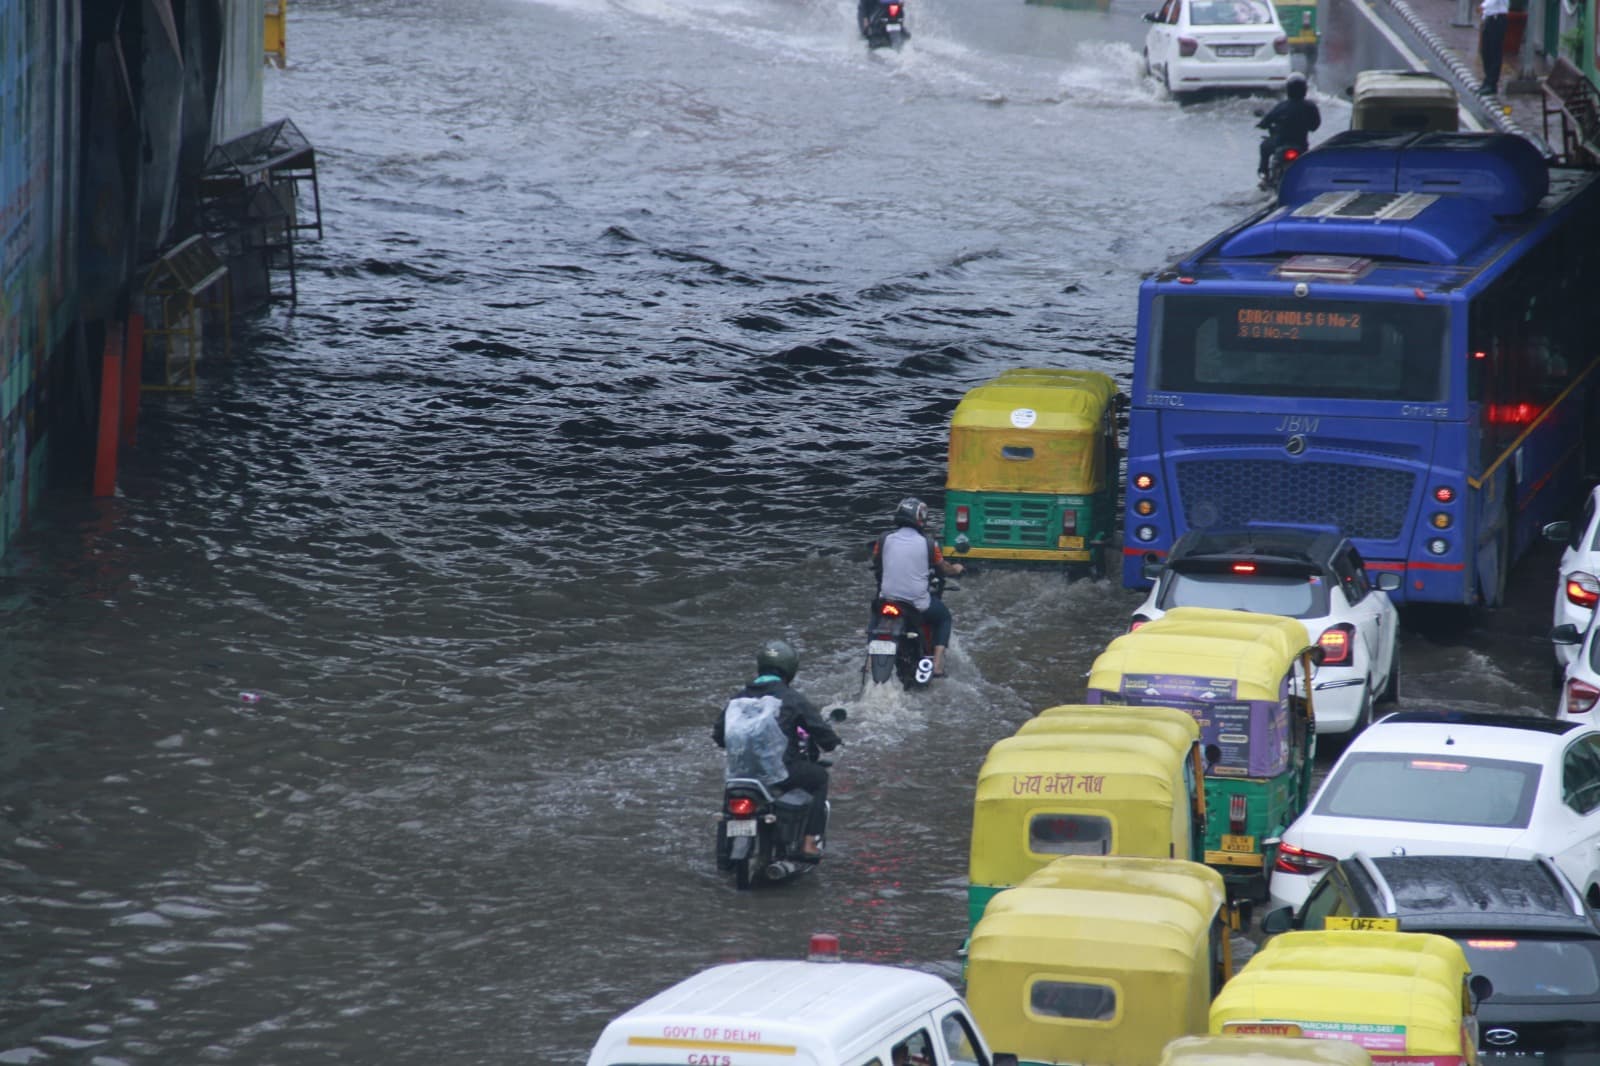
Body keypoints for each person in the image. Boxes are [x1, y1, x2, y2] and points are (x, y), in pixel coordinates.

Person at [712, 639, 841, 861]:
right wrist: (831, 742)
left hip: (740, 774)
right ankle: (810, 842)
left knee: (731, 794)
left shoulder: (738, 697)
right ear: (790, 669)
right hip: (778, 773)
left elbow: (719, 735)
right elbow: (821, 732)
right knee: (820, 778)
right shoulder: (791, 698)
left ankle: (724, 851)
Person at [871, 497, 964, 678]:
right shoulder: (929, 544)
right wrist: (957, 569)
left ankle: (868, 663)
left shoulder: (883, 539)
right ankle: (937, 665)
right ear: (921, 518)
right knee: (944, 618)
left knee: (875, 619)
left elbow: (876, 561)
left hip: (887, 600)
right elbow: (943, 568)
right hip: (916, 604)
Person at [1256, 72, 1321, 181]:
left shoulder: (1282, 106)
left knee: (1264, 146)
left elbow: (1266, 121)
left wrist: (1262, 124)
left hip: (1281, 144)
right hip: (1301, 145)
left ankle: (1264, 173)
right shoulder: (1311, 107)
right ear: (1304, 89)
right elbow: (1315, 126)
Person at [1478, 0, 1509, 95]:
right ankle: (1487, 80)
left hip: (1498, 18)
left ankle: (1491, 83)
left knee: (1494, 52)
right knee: (1486, 51)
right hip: (1489, 18)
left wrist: (1483, 6)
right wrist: (1484, 17)